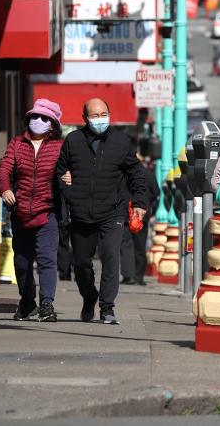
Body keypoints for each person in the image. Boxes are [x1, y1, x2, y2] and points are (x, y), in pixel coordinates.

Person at [56, 98, 151, 325]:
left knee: (110, 257)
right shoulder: (73, 141)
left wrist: (140, 203)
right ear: (85, 118)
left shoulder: (121, 142)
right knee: (80, 264)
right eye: (94, 115)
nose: (100, 119)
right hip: (80, 213)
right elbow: (60, 170)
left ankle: (107, 308)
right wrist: (66, 187)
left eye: (103, 114)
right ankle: (89, 297)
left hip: (112, 212)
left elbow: (136, 173)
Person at [0, 98, 65, 322]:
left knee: (47, 259)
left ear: (52, 124)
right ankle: (27, 302)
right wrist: (5, 189)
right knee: (22, 262)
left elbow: (69, 172)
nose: (38, 121)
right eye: (34, 116)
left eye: (44, 118)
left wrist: (69, 178)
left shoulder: (60, 147)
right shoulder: (17, 143)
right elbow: (4, 169)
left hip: (48, 213)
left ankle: (47, 304)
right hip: (20, 212)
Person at [120, 152, 159, 286]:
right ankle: (139, 277)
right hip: (142, 214)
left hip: (125, 214)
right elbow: (156, 192)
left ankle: (127, 275)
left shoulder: (124, 174)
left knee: (126, 245)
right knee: (140, 246)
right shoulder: (148, 173)